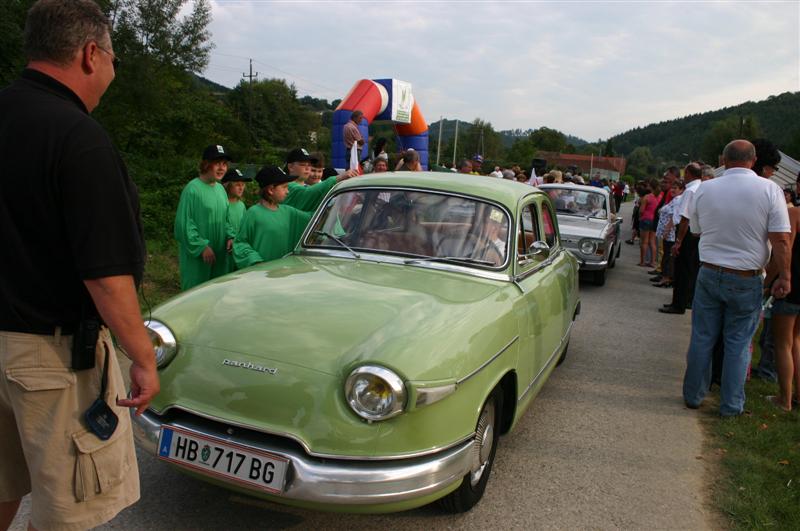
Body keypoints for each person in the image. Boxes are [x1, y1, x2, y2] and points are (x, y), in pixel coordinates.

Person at [0, 1, 160, 529]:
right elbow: (106, 276)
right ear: (90, 54)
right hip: (49, 355)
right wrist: (142, 356)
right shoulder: (78, 138)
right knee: (68, 508)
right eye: (113, 58)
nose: (113, 71)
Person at [682, 140, 791, 417]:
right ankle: (730, 405)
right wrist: (785, 276)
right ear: (753, 161)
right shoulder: (770, 190)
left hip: (709, 270)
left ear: (723, 159)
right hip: (746, 276)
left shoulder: (705, 189)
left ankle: (693, 395)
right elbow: (780, 238)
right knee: (738, 343)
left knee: (702, 337)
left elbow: (696, 230)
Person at [174, 144, 235, 290]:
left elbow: (226, 220)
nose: (222, 168)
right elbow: (183, 224)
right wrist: (201, 246)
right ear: (206, 164)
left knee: (215, 294)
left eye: (224, 164)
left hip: (219, 254)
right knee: (196, 295)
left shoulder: (220, 189)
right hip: (199, 257)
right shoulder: (192, 189)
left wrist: (231, 236)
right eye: (217, 164)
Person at [234, 166, 316, 267]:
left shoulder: (288, 211)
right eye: (284, 187)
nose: (288, 191)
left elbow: (314, 219)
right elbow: (240, 243)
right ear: (271, 190)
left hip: (283, 273)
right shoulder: (253, 213)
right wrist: (256, 261)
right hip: (261, 274)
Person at [766, 205, 800, 411]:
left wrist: (768, 280)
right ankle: (798, 395)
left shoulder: (794, 213)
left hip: (791, 287)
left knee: (783, 344)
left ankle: (784, 399)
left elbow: (784, 248)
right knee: (796, 340)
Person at [662, 163, 703, 314]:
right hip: (696, 233)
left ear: (688, 174)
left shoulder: (690, 191)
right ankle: (685, 301)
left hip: (687, 232)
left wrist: (678, 241)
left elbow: (685, 217)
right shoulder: (701, 187)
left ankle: (678, 303)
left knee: (682, 270)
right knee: (690, 269)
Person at [283, 147, 355, 211]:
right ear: (290, 167)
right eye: (303, 164)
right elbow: (307, 193)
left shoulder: (307, 187)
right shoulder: (286, 186)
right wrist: (338, 178)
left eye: (309, 165)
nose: (308, 168)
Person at [221, 168, 252, 272]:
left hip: (238, 247)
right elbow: (222, 223)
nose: (241, 188)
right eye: (237, 185)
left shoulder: (241, 205)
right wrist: (231, 236)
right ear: (228, 185)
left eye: (243, 184)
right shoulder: (222, 204)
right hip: (225, 247)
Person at [638, 181, 659, 267]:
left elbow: (641, 210)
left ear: (651, 187)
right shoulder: (660, 197)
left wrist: (640, 216)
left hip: (646, 219)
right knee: (652, 242)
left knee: (644, 242)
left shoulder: (647, 197)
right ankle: (653, 262)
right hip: (655, 220)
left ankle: (642, 261)